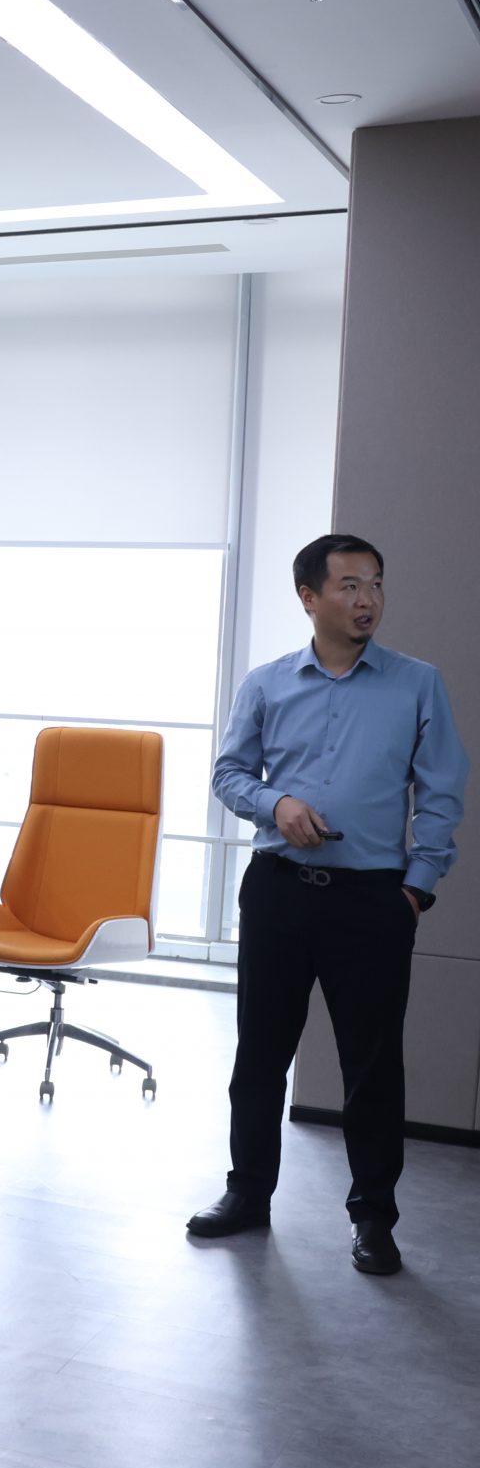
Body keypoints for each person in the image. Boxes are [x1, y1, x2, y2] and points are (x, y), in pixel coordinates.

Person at [191, 534, 468, 1275]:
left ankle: (373, 1217)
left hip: (372, 901)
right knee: (259, 1055)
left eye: (375, 584)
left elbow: (442, 792)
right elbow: (228, 772)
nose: (366, 599)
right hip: (278, 892)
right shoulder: (267, 684)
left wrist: (415, 887)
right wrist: (275, 803)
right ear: (309, 598)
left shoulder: (417, 684)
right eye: (349, 586)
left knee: (371, 1067)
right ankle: (247, 1193)